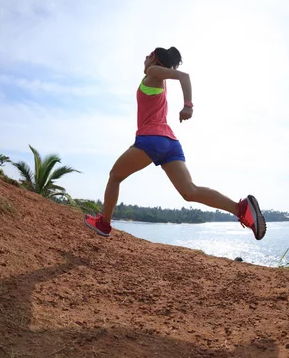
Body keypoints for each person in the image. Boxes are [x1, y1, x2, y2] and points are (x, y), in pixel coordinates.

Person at [84, 47, 266, 240]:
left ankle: (104, 224)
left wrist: (188, 105)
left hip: (152, 139)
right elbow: (179, 77)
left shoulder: (152, 72)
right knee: (190, 191)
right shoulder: (157, 80)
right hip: (169, 142)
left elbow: (184, 76)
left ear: (154, 58)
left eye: (148, 55)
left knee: (114, 176)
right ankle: (241, 209)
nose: (144, 58)